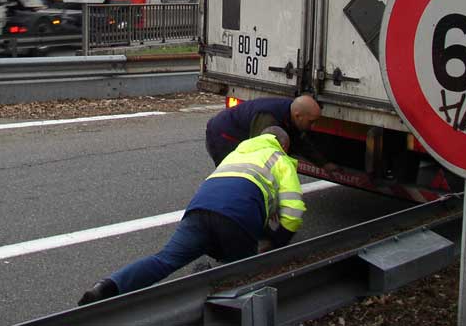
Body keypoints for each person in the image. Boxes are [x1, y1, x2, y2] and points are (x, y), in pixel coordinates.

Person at [78, 127, 306, 305]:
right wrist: (276, 244)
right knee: (242, 275)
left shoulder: (237, 153)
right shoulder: (280, 159)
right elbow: (293, 213)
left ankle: (107, 287)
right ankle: (208, 298)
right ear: (284, 145)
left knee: (164, 260)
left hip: (199, 209)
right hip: (237, 216)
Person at [205, 95, 322, 167]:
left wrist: (324, 164)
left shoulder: (291, 113)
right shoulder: (268, 119)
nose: (313, 126)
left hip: (234, 132)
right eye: (311, 122)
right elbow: (261, 155)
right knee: (233, 174)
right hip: (222, 135)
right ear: (298, 116)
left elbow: (299, 142)